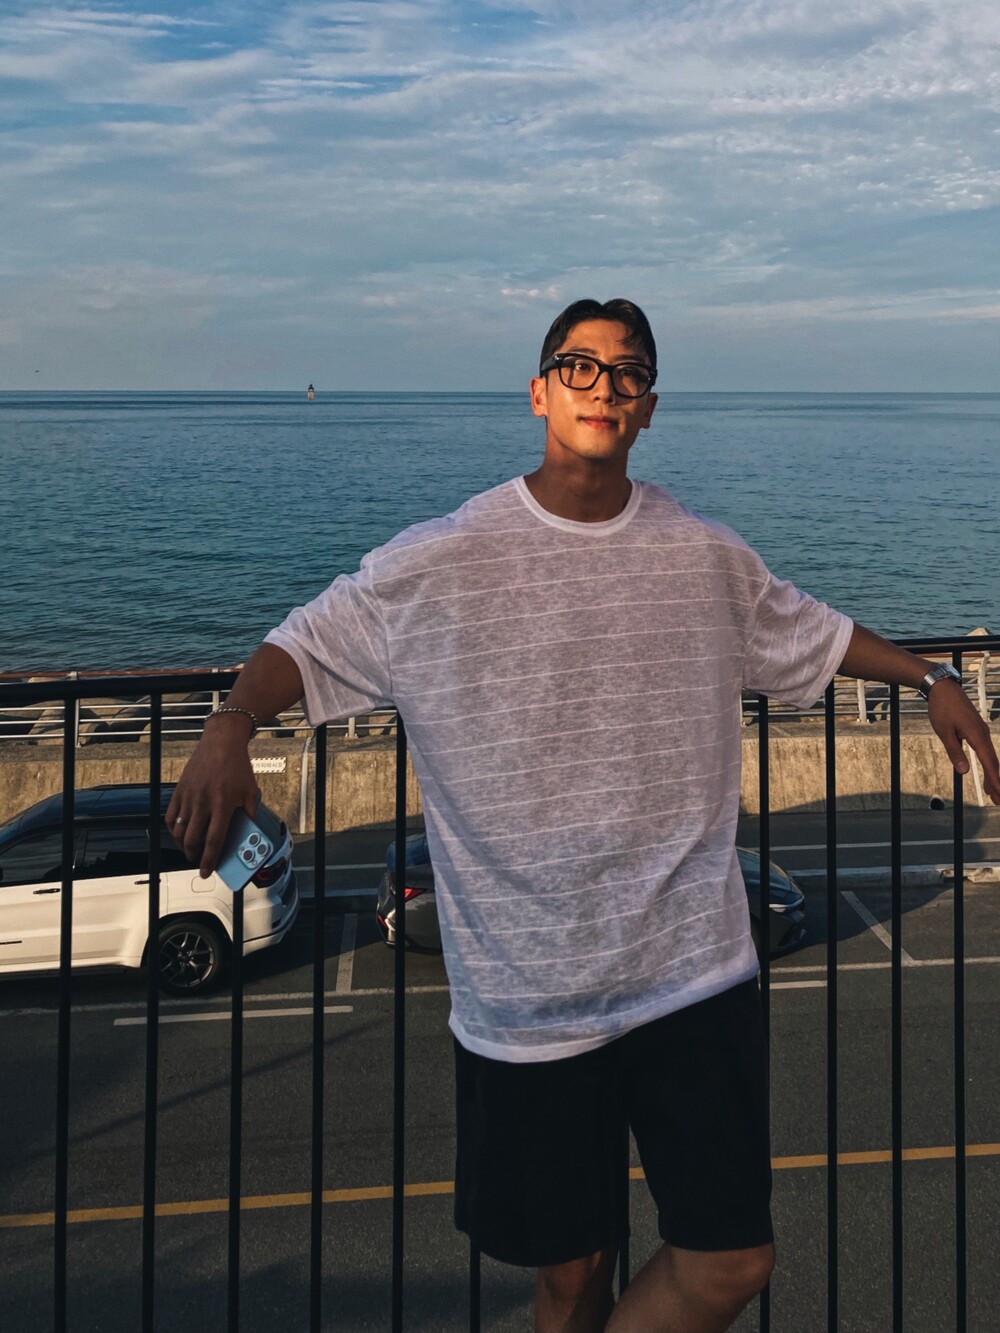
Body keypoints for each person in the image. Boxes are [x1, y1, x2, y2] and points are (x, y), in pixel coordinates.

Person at [168, 298, 1000, 1333]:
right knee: (571, 1280)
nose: (603, 386)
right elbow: (306, 641)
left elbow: (816, 635)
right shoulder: (442, 557)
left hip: (693, 972)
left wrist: (931, 677)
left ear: (649, 407)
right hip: (530, 999)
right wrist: (231, 723)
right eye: (579, 365)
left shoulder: (702, 554)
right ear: (538, 391)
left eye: (627, 373)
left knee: (732, 1258)